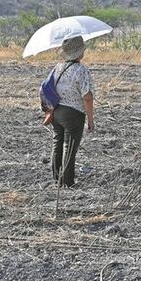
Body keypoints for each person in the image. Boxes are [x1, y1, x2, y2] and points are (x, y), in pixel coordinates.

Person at [49, 36, 95, 188]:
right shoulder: (81, 70)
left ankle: (57, 179)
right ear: (80, 54)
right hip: (74, 113)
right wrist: (90, 120)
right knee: (70, 148)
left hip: (56, 111)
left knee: (58, 144)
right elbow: (87, 97)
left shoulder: (58, 67)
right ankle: (67, 182)